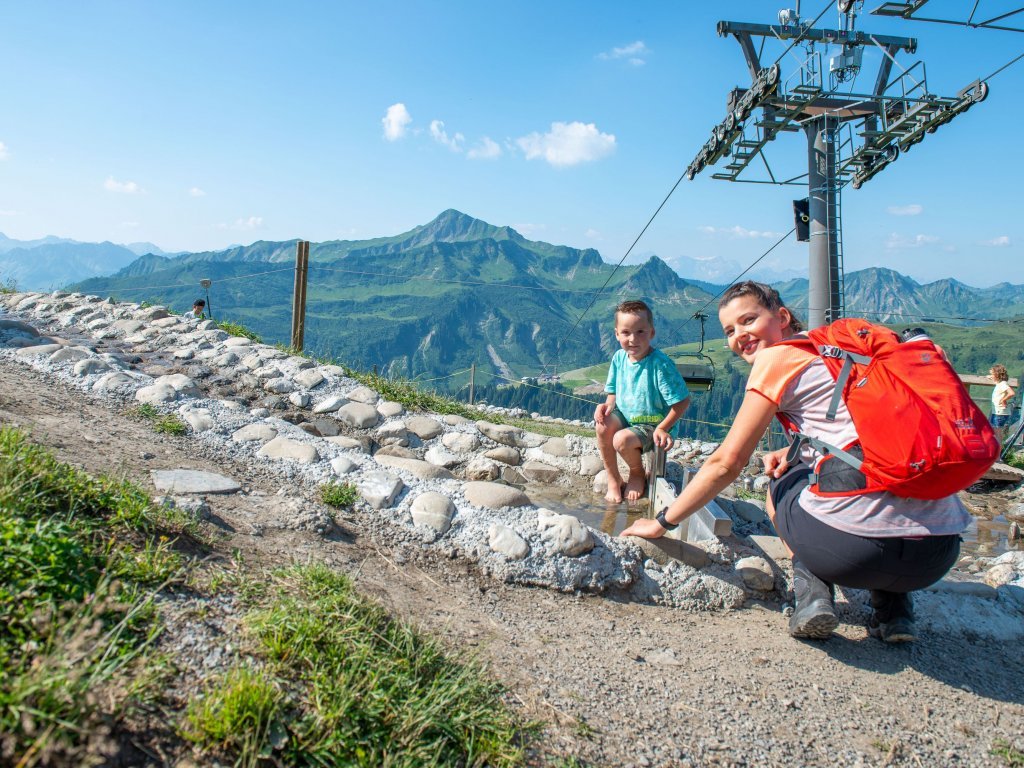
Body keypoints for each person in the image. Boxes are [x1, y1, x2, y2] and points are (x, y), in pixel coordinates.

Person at [622, 281, 969, 643]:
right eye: (729, 330)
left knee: (780, 484)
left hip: (857, 554)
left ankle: (811, 593)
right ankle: (896, 611)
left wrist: (662, 522)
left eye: (749, 320)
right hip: (937, 554)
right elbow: (856, 437)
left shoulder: (778, 358)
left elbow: (727, 463)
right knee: (839, 476)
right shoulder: (844, 354)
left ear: (783, 317)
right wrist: (793, 451)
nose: (739, 335)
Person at [594, 300, 691, 504]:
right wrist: (607, 406)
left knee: (620, 440)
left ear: (651, 332)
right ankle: (613, 479)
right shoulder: (619, 358)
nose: (633, 339)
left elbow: (682, 402)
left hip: (653, 423)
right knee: (602, 426)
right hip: (627, 416)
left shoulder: (660, 364)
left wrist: (664, 428)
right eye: (626, 332)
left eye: (640, 332)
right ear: (617, 334)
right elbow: (612, 392)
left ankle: (637, 473)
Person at [988, 363, 1016, 444]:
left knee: (997, 434)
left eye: (992, 374)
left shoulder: (1003, 384)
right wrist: (990, 377)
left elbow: (1011, 393)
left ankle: (997, 454)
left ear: (997, 374)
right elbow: (997, 383)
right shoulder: (1000, 383)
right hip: (997, 412)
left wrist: (1003, 400)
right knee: (995, 431)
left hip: (999, 412)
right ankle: (996, 452)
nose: (991, 376)